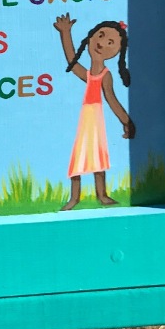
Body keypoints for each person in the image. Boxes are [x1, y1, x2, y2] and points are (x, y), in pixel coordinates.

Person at [53, 14, 135, 211]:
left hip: (96, 121)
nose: (102, 43)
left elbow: (112, 100)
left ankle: (102, 195)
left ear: (117, 52)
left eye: (110, 42)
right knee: (78, 157)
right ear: (91, 37)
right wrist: (65, 33)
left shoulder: (105, 76)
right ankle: (74, 198)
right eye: (100, 35)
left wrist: (127, 121)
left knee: (98, 157)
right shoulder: (88, 74)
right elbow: (72, 60)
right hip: (85, 121)